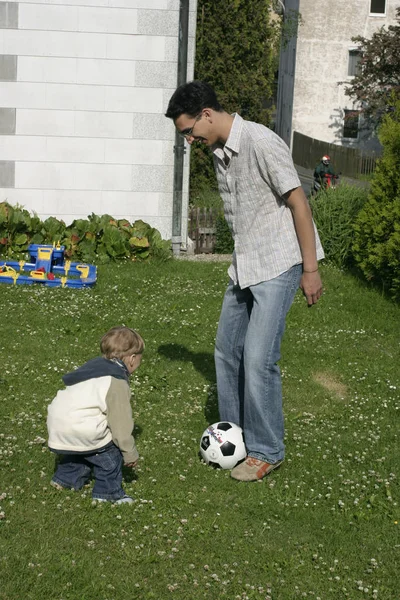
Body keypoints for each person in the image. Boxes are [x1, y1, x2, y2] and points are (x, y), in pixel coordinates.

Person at [165, 81, 324, 482]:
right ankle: (232, 435)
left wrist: (310, 269)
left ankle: (268, 449)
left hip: (279, 262)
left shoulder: (259, 141)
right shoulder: (219, 152)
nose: (188, 140)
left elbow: (298, 202)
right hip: (245, 266)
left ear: (206, 114)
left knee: (258, 358)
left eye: (188, 131)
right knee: (225, 350)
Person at [47, 326, 144, 504]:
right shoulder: (116, 381)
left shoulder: (92, 368)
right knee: (109, 454)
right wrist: (129, 452)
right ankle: (108, 494)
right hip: (82, 429)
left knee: (79, 450)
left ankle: (65, 479)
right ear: (131, 359)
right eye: (139, 359)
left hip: (58, 424)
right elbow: (120, 424)